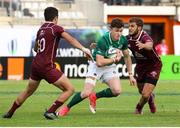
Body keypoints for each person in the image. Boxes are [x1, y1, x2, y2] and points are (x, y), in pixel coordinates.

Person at [2, 7, 92, 120]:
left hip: (36, 65)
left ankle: (10, 112)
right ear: (55, 18)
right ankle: (50, 111)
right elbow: (71, 39)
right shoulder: (56, 28)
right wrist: (84, 49)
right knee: (70, 89)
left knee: (28, 91)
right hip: (46, 66)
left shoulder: (41, 29)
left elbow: (35, 48)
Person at [57, 18, 136, 116]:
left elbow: (127, 56)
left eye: (121, 31)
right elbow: (99, 62)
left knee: (117, 91)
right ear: (111, 29)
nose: (119, 34)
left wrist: (131, 75)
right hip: (96, 66)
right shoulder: (103, 40)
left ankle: (95, 96)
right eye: (116, 31)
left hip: (109, 67)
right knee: (86, 93)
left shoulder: (123, 40)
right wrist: (114, 60)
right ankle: (66, 108)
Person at [126, 17, 162, 114]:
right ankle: (151, 98)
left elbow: (150, 45)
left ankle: (138, 108)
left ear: (139, 28)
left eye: (132, 26)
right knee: (141, 91)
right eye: (129, 26)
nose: (130, 28)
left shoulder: (144, 37)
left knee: (145, 94)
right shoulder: (128, 38)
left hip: (153, 65)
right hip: (141, 67)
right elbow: (116, 43)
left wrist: (143, 45)